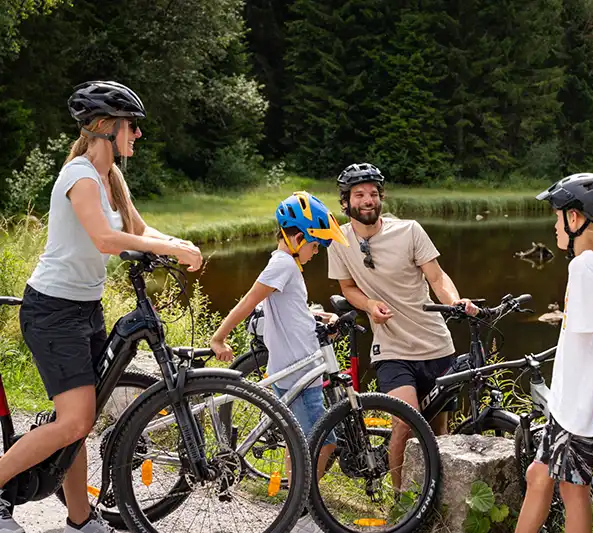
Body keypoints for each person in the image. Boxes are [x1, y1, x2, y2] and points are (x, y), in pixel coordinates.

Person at [0, 80, 203, 533]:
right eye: (132, 126)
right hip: (51, 311)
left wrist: (178, 243)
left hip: (84, 310)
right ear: (107, 127)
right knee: (76, 420)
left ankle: (79, 518)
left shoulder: (111, 177)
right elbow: (105, 239)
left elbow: (139, 228)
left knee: (77, 424)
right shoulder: (79, 175)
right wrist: (174, 252)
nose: (138, 135)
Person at [326, 162, 477, 489]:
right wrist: (368, 305)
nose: (368, 200)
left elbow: (436, 276)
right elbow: (347, 287)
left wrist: (454, 302)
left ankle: (436, 499)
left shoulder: (409, 230)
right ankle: (400, 505)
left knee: (440, 432)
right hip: (392, 348)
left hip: (436, 344)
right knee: (404, 423)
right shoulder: (338, 241)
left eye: (373, 194)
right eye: (359, 194)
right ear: (346, 202)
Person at [210, 191, 349, 482]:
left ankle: (293, 500)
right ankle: (304, 502)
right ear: (297, 238)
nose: (316, 252)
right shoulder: (283, 265)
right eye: (315, 245)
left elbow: (291, 310)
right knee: (326, 442)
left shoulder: (288, 266)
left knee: (298, 441)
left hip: (300, 371)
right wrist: (219, 338)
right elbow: (249, 302)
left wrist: (319, 316)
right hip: (296, 372)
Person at [515, 173, 593, 533]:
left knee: (572, 489)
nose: (554, 224)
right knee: (539, 475)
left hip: (581, 408)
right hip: (570, 403)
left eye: (557, 215)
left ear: (574, 219)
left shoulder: (584, 267)